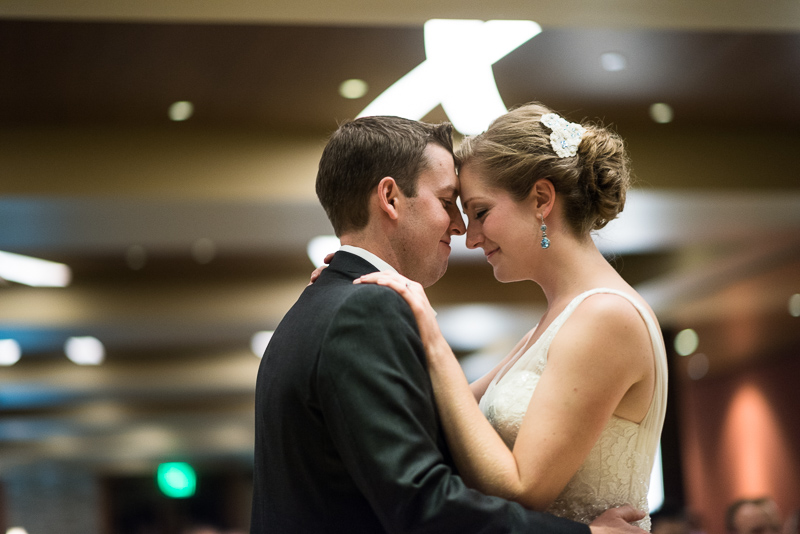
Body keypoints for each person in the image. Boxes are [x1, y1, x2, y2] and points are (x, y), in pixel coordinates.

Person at [250, 115, 648, 533]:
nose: (463, 230)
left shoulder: (325, 306)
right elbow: (423, 504)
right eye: (448, 203)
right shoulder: (362, 310)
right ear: (390, 198)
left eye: (477, 211)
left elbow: (446, 430)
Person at [356, 103, 669, 529]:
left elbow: (523, 490)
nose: (470, 238)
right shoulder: (557, 320)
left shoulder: (606, 316)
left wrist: (432, 338)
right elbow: (443, 422)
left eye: (480, 212)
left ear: (541, 199)